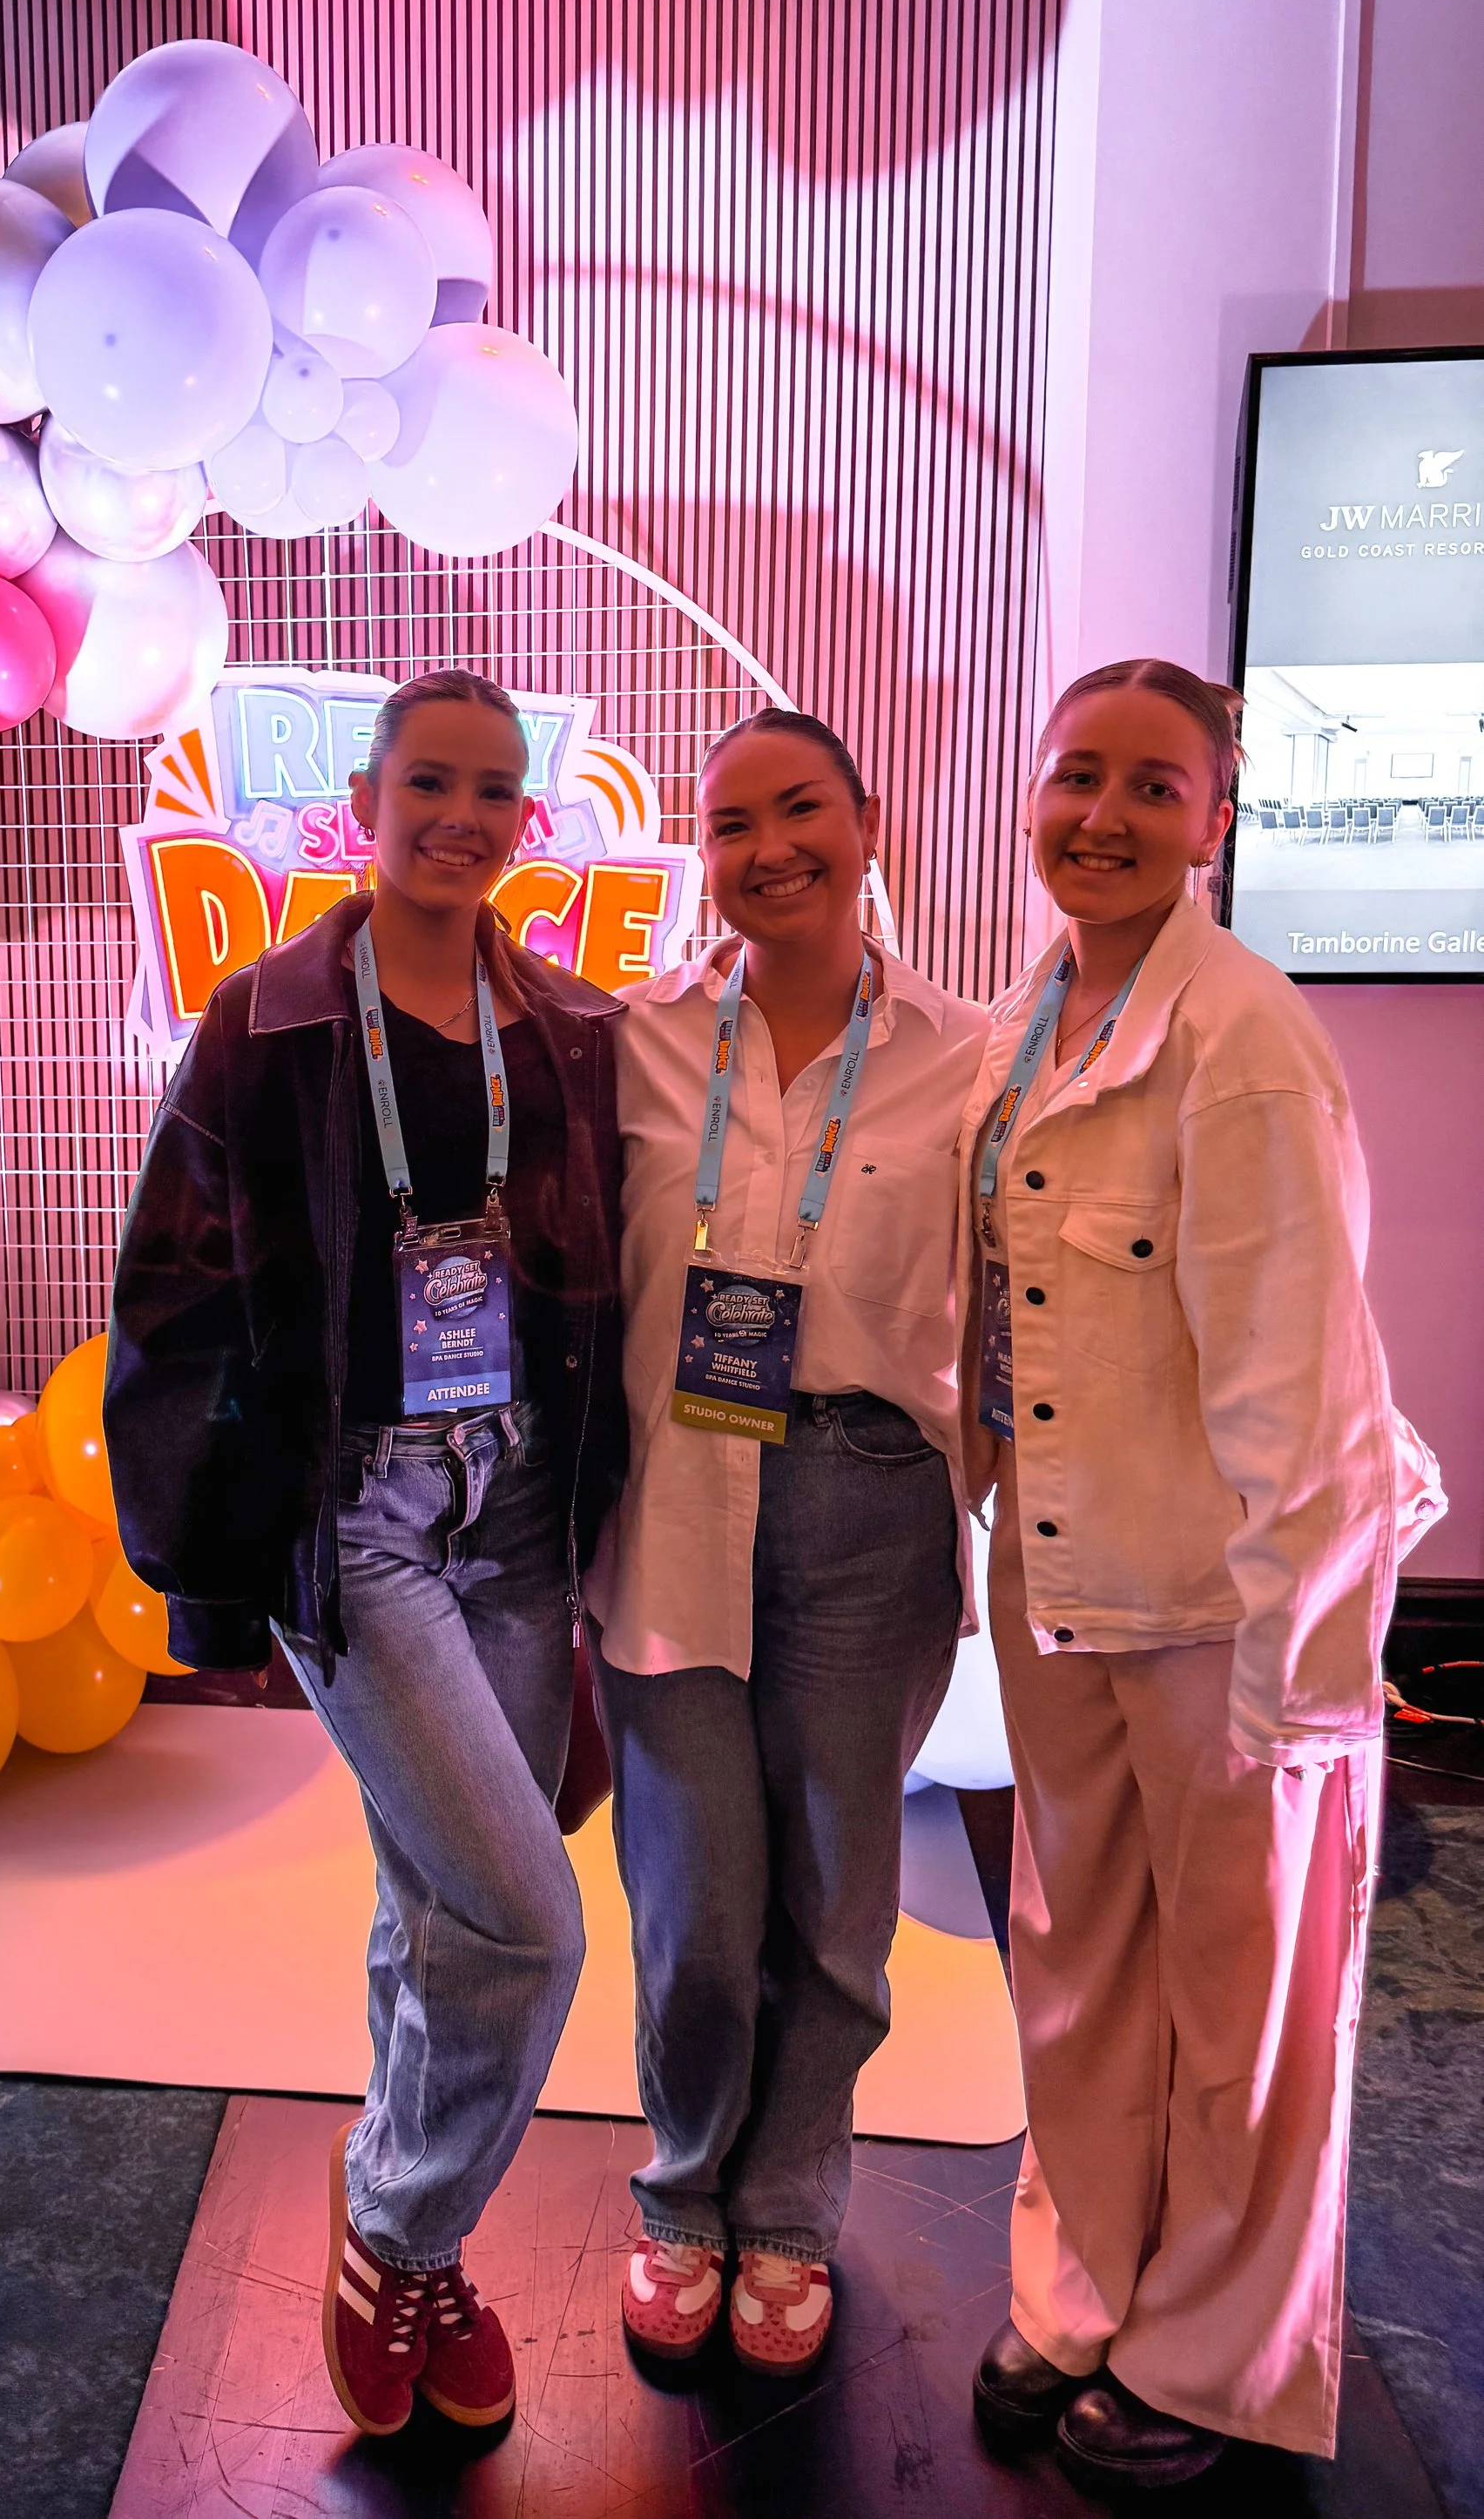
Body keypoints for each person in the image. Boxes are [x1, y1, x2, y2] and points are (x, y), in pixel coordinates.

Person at [104, 667, 627, 2442]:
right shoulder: (261, 1026)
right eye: (429, 782)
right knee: (526, 1913)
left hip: (525, 1504)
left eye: (492, 789)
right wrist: (200, 1570)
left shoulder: (563, 1024)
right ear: (366, 792)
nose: (459, 817)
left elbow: (601, 1286)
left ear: (521, 818)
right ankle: (400, 2228)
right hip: (364, 1515)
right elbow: (168, 1305)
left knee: (434, 1895)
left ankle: (400, 2208)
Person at [961, 658, 1443, 2490]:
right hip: (1058, 1571)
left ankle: (1221, 2356)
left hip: (1224, 1611)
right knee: (1076, 1959)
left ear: (1212, 821)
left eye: (1149, 786)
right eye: (1074, 774)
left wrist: (1297, 1686)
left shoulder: (1239, 1038)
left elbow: (1304, 1390)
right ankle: (1083, 2284)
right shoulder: (1037, 1017)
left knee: (1244, 2004)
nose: (1101, 814)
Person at [588, 707, 988, 2378]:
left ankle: (795, 2206)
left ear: (869, 823)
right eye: (733, 821)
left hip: (864, 1502)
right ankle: (686, 2190)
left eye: (803, 809)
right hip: (677, 1495)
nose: (770, 849)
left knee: (835, 1895)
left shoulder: (974, 1058)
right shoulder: (635, 1044)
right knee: (693, 1893)